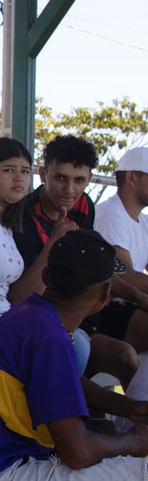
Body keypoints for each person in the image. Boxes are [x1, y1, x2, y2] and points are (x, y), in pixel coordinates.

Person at [0, 229, 148, 481]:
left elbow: (66, 381)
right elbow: (78, 453)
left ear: (46, 276)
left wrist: (128, 408)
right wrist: (133, 441)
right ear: (105, 294)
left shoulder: (34, 315)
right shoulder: (46, 334)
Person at [0, 137, 90, 370]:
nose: (19, 178)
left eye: (24, 171)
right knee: (57, 339)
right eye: (8, 170)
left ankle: (57, 403)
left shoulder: (6, 222)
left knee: (78, 341)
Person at [15, 135, 144, 383]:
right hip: (54, 318)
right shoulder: (23, 215)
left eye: (79, 180)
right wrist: (55, 242)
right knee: (124, 356)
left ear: (90, 179)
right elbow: (27, 297)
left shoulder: (85, 204)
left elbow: (98, 269)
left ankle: (133, 420)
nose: (69, 190)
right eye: (60, 178)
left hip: (89, 310)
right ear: (42, 174)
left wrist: (139, 297)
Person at [95, 146, 148, 347]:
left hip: (131, 305)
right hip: (107, 308)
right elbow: (124, 274)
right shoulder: (110, 213)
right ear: (132, 178)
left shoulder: (144, 222)